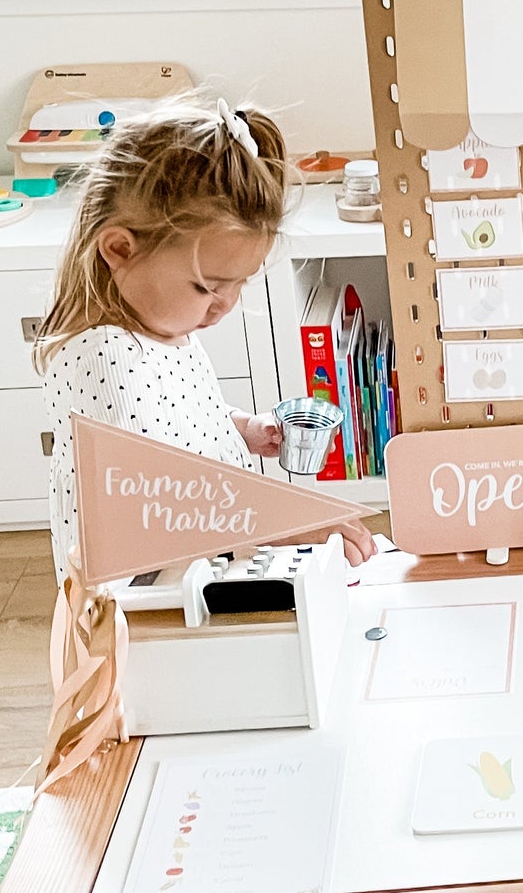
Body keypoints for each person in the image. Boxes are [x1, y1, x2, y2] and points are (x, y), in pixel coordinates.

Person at [32, 93, 376, 576]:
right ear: (120, 250)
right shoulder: (105, 356)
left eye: (239, 284)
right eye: (207, 286)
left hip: (199, 565)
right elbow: (155, 504)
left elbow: (182, 419)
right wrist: (288, 524)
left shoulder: (163, 327)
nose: (225, 305)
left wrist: (241, 428)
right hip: (141, 590)